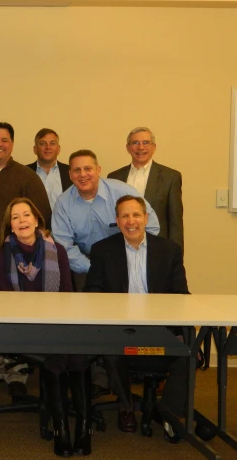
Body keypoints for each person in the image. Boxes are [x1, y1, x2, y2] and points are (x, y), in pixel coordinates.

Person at [52, 149, 160, 398]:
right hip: (84, 266)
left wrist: (133, 257)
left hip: (125, 263)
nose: (83, 174)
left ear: (98, 170)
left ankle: (125, 370)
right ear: (70, 174)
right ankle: (96, 377)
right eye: (77, 170)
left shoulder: (122, 192)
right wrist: (96, 268)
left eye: (88, 168)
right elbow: (63, 246)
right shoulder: (63, 203)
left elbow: (151, 224)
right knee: (89, 322)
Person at [85, 195, 189, 438]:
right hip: (121, 328)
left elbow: (181, 295)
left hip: (158, 328)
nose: (131, 221)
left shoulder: (169, 250)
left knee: (186, 353)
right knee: (112, 351)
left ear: (146, 218)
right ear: (117, 221)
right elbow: (92, 292)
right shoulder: (103, 250)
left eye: (136, 215)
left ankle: (169, 411)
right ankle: (126, 407)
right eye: (124, 216)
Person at [0, 198, 92, 457]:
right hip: (24, 326)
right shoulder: (2, 257)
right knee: (58, 355)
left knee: (78, 354)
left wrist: (57, 322)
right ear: (10, 226)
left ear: (37, 220)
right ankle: (62, 429)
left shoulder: (56, 250)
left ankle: (83, 428)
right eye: (16, 217)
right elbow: (9, 302)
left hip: (59, 320)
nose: (22, 220)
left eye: (27, 215)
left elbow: (67, 294)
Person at [0, 121, 51, 395]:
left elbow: (42, 219)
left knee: (16, 317)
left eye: (4, 140)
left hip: (17, 263)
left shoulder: (27, 177)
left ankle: (17, 373)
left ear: (12, 144)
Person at [107, 127, 184, 250]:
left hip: (158, 247)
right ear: (128, 148)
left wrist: (176, 257)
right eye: (135, 143)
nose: (141, 147)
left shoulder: (170, 177)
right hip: (121, 247)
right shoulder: (114, 177)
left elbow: (175, 223)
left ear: (154, 147)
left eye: (146, 142)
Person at [27, 128, 72, 211]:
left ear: (58, 149)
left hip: (64, 223)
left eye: (52, 143)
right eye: (43, 143)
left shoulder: (71, 172)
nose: (48, 147)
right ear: (35, 149)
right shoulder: (24, 172)